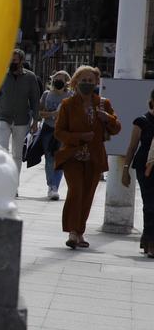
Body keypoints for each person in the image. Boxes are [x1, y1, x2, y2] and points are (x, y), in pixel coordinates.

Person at [54, 66, 120, 250]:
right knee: (76, 191)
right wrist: (79, 137)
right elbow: (59, 132)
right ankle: (72, 232)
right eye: (83, 80)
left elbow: (116, 128)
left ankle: (80, 231)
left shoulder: (103, 104)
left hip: (94, 157)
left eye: (91, 81)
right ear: (75, 81)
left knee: (88, 195)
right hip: (72, 156)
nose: (87, 84)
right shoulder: (68, 105)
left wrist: (107, 118)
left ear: (97, 83)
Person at [0, 49, 43, 194]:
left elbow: (35, 100)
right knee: (2, 149)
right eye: (10, 59)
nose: (12, 62)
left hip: (22, 120)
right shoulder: (2, 76)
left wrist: (36, 121)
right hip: (4, 117)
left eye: (15, 60)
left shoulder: (30, 78)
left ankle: (14, 185)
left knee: (17, 154)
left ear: (21, 61)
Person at [122, 88, 154, 257]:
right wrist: (125, 170)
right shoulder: (142, 121)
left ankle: (147, 238)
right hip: (145, 167)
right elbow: (132, 147)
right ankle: (150, 243)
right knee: (150, 205)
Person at [37, 71, 72, 200]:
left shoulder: (70, 96)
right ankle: (50, 184)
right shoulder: (47, 95)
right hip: (48, 130)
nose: (58, 81)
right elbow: (40, 112)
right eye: (56, 79)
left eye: (61, 79)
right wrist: (54, 114)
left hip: (63, 131)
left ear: (66, 81)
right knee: (49, 159)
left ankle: (54, 187)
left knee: (60, 159)